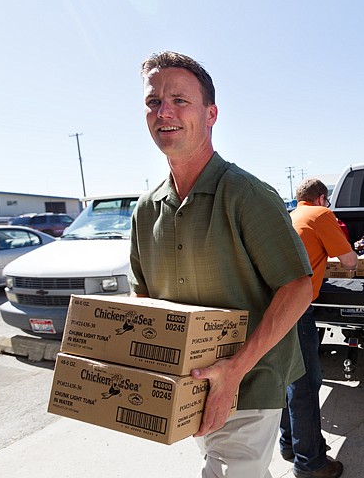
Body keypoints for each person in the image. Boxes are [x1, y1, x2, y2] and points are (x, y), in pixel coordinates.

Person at [129, 51, 314, 478]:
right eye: (153, 102)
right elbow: (143, 296)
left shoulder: (247, 195)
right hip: (189, 387)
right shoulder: (145, 208)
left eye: (179, 100)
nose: (164, 112)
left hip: (249, 382)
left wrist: (234, 370)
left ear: (211, 114)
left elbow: (298, 287)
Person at [279, 179, 358, 478]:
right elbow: (349, 262)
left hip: (275, 307)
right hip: (297, 310)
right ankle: (311, 463)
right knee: (306, 386)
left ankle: (290, 445)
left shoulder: (290, 215)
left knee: (288, 383)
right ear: (322, 198)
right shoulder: (321, 215)